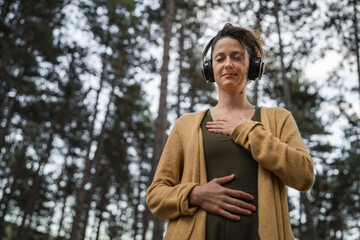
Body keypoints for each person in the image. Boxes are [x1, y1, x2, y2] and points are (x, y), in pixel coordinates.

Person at [146, 23, 315, 240]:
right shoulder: (185, 125)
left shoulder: (278, 119)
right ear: (209, 68)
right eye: (220, 58)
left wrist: (246, 130)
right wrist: (195, 194)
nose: (228, 64)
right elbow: (156, 195)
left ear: (253, 66)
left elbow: (303, 176)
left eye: (236, 57)